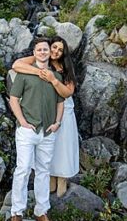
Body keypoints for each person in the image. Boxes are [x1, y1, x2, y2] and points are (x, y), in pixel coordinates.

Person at [8, 38, 64, 221]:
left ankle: (42, 212)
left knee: (43, 171)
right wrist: (22, 121)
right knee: (23, 170)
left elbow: (60, 102)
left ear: (50, 53)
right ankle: (17, 214)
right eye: (39, 49)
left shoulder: (56, 76)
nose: (42, 52)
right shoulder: (24, 74)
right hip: (27, 130)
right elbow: (13, 99)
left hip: (48, 132)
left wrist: (57, 123)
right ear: (34, 53)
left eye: (45, 49)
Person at [12, 35, 79, 197]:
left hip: (64, 110)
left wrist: (53, 80)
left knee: (63, 146)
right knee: (48, 147)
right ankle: (50, 178)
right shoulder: (41, 59)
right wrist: (40, 72)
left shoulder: (65, 68)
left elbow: (68, 93)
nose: (56, 51)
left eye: (60, 50)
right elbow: (16, 65)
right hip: (44, 108)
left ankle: (62, 179)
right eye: (54, 47)